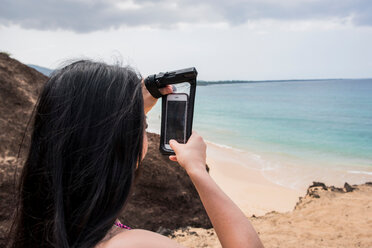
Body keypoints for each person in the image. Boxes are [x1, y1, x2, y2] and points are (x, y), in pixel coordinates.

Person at [7, 60, 263, 248]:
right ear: (123, 142)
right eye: (143, 124)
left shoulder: (47, 226)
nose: (144, 130)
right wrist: (198, 171)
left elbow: (94, 129)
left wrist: (130, 108)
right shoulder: (133, 244)